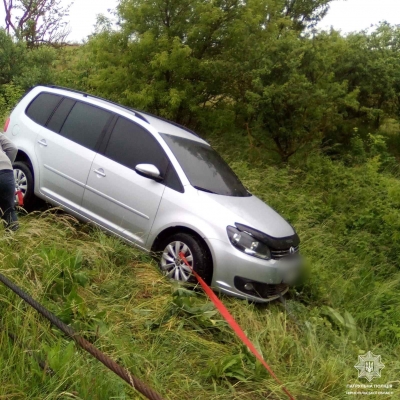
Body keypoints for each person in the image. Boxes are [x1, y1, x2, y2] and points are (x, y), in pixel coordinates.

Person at [0, 133, 19, 231]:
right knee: (9, 210)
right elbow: (13, 148)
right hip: (7, 171)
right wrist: (6, 166)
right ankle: (14, 242)